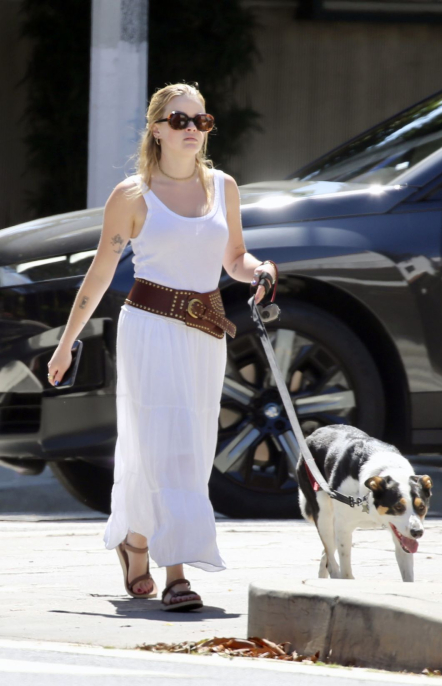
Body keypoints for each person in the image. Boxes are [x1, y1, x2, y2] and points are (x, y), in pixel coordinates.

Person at [46, 82, 277, 611]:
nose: (192, 129)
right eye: (180, 121)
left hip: (205, 334)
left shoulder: (224, 186)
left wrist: (259, 270)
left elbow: (234, 258)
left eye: (201, 121)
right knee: (161, 442)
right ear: (157, 129)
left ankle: (136, 542)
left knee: (191, 446)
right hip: (149, 329)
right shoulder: (132, 195)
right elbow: (100, 276)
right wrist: (66, 345)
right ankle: (177, 574)